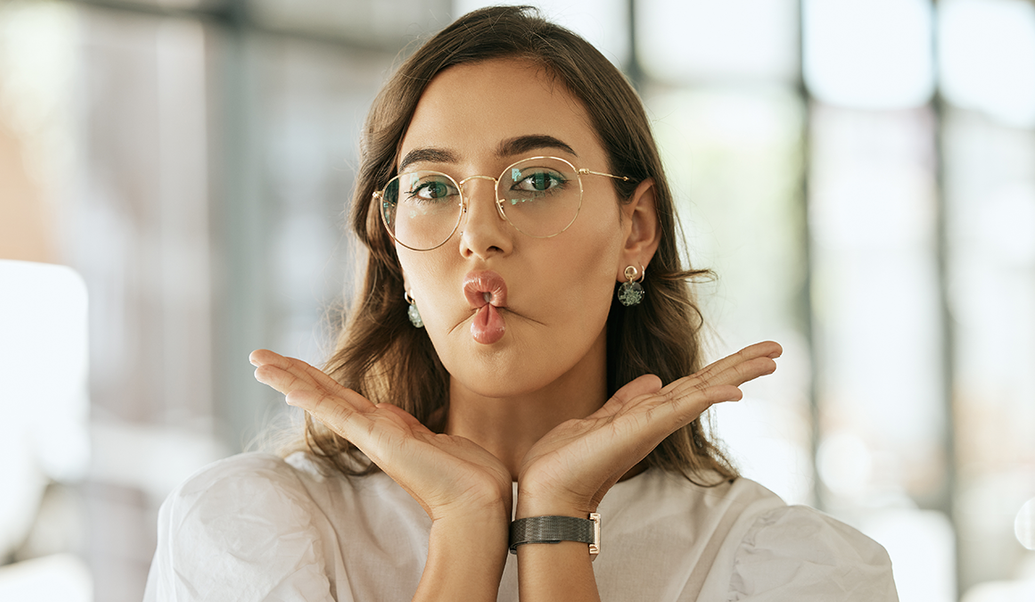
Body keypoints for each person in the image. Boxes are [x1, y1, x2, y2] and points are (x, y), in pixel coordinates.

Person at [143, 6, 898, 601]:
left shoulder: (792, 569)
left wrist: (554, 526)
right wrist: (467, 529)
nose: (479, 235)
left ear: (635, 229)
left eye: (537, 180)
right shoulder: (251, 529)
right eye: (434, 189)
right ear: (394, 250)